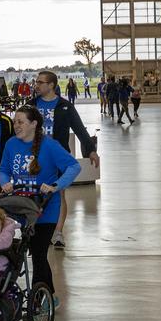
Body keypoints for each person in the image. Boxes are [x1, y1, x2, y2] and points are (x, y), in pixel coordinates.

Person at [0, 106, 81, 303]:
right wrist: (5, 183)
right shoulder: (11, 144)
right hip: (19, 207)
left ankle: (41, 298)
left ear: (34, 124)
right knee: (9, 250)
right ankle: (36, 293)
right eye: (15, 122)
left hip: (44, 210)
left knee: (38, 253)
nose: (16, 126)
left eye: (20, 122)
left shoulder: (49, 145)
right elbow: (3, 169)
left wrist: (56, 185)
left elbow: (74, 166)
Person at [33, 71, 99, 250]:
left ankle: (58, 232)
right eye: (36, 82)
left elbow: (79, 129)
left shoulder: (65, 106)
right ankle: (37, 229)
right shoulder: (31, 106)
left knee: (58, 193)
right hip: (34, 157)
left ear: (51, 85)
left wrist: (91, 151)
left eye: (41, 82)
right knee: (34, 193)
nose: (37, 85)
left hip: (58, 157)